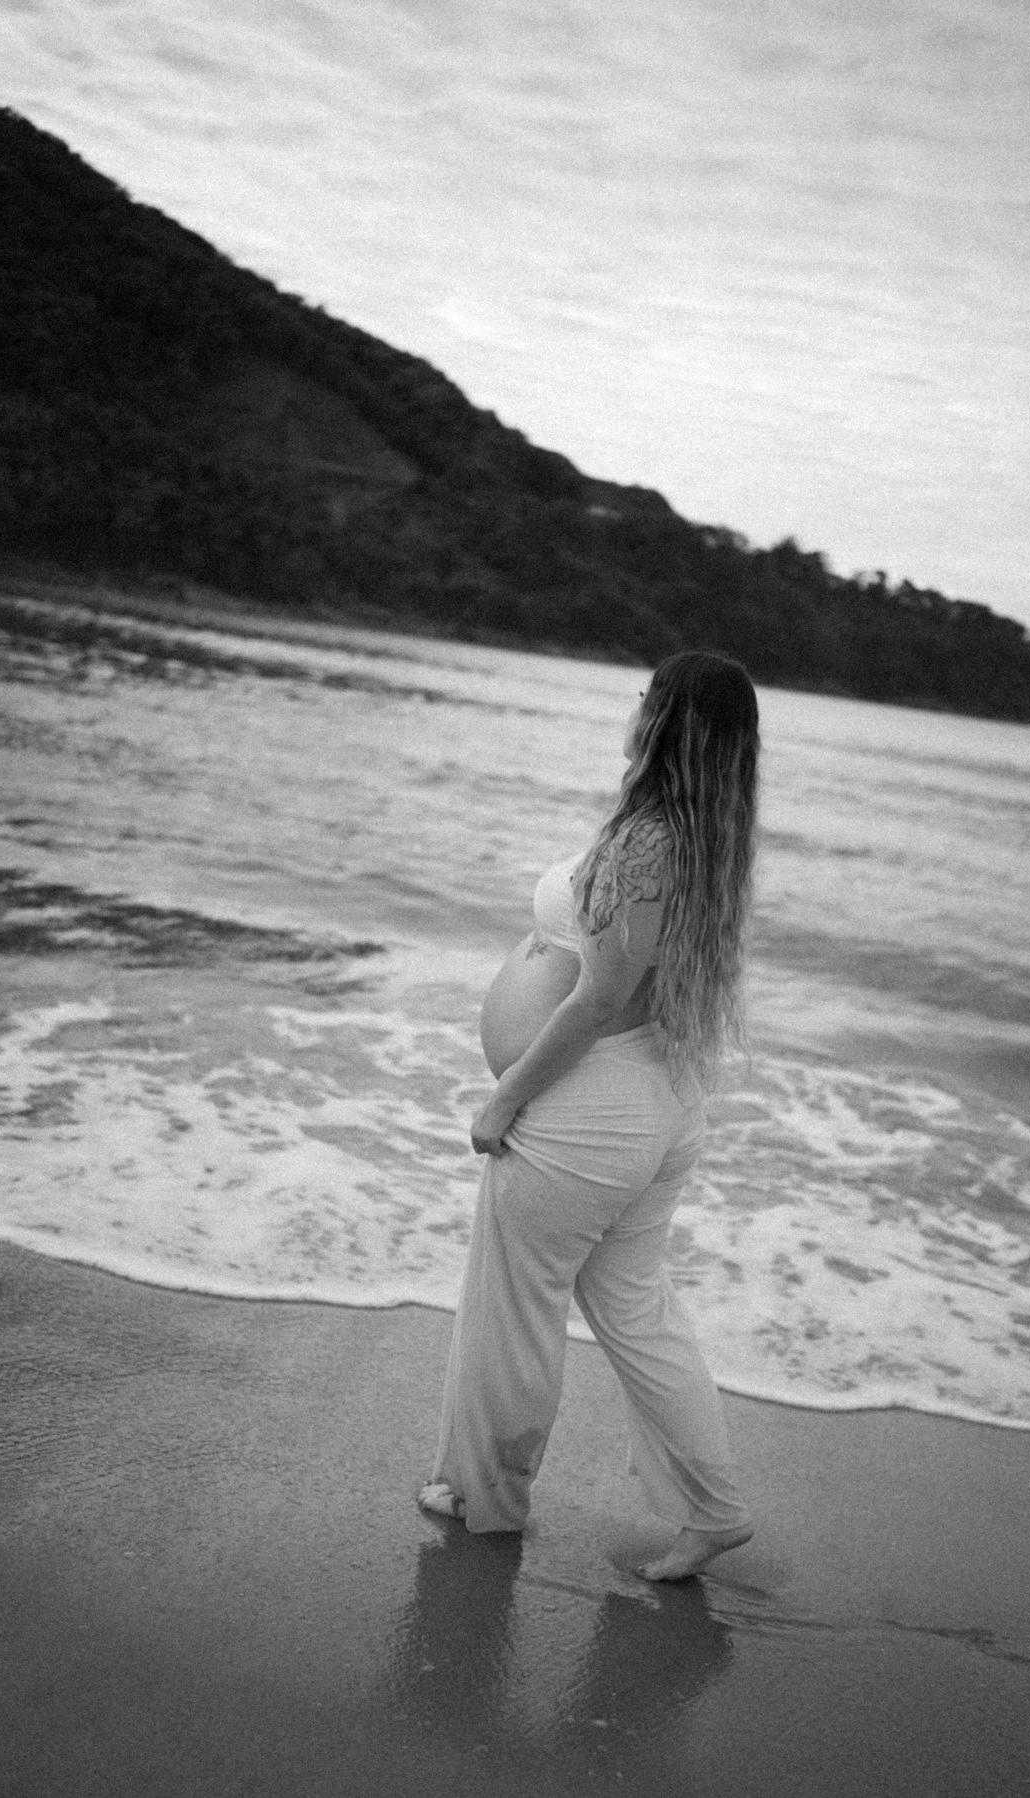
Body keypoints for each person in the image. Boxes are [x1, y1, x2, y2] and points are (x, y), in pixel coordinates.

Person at [419, 651, 760, 1581]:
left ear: (665, 719)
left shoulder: (647, 842)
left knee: (515, 1311)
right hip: (659, 1101)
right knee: (639, 1313)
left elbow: (601, 997)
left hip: (591, 1116)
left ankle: (487, 1501)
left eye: (647, 697)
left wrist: (506, 1096)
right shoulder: (708, 837)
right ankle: (715, 1511)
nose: (634, 707)